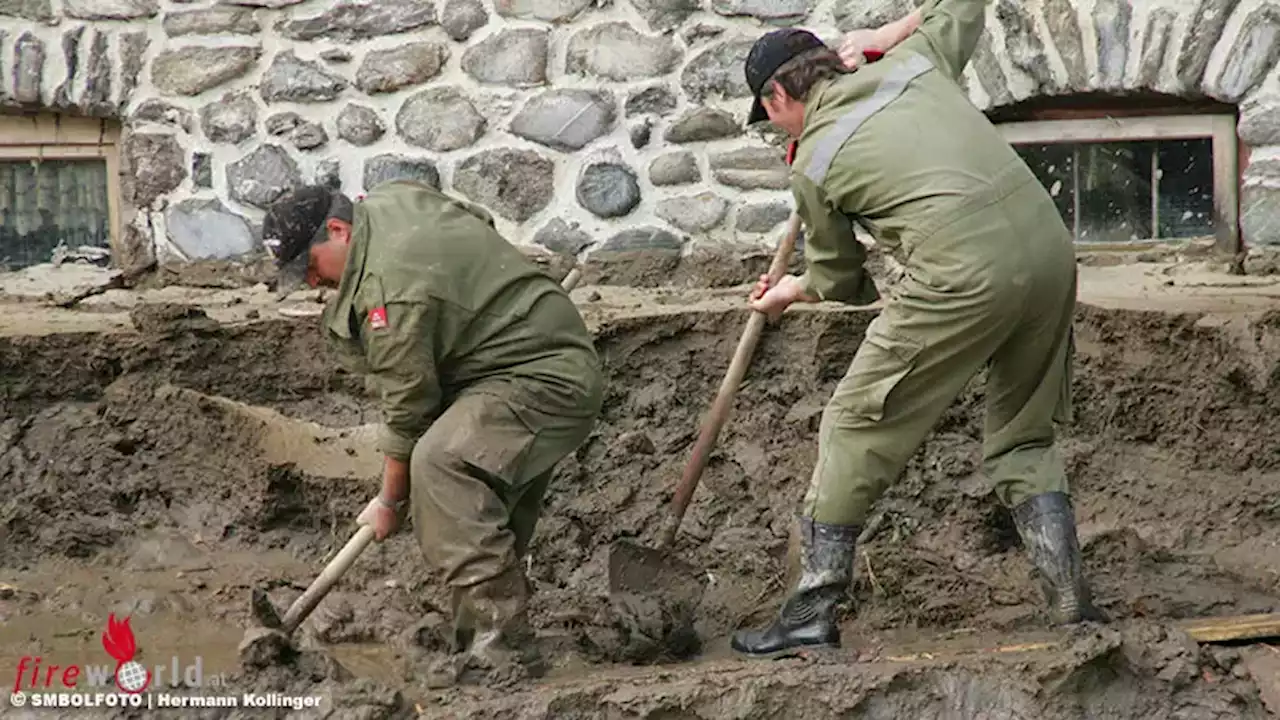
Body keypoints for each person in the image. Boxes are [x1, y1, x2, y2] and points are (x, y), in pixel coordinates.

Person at [732, 0, 1107, 659]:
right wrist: (891, 31)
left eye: (769, 117)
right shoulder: (912, 63)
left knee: (853, 422)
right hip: (1050, 252)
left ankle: (812, 613)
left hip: (964, 272)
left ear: (781, 92)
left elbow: (844, 281)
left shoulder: (813, 161)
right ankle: (1071, 599)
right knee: (1022, 435)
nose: (773, 128)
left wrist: (792, 290)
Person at [262, 180, 605, 683]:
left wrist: (389, 501)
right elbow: (476, 220)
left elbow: (408, 413)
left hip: (543, 376)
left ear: (337, 230)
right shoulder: (393, 197)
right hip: (516, 359)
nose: (313, 284)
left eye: (311, 268)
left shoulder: (388, 294)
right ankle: (479, 643)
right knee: (475, 508)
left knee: (439, 463)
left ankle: (503, 653)